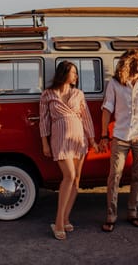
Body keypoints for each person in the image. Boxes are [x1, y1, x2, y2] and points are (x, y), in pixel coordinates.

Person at [99, 49, 138, 232]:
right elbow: (107, 109)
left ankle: (133, 212)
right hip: (120, 136)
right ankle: (111, 215)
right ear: (131, 62)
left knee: (137, 176)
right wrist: (104, 135)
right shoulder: (114, 84)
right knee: (114, 176)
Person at [39, 60, 98, 240]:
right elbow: (43, 121)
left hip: (79, 140)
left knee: (76, 180)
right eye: (73, 73)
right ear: (64, 74)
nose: (76, 76)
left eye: (76, 73)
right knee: (69, 176)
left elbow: (86, 117)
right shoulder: (47, 95)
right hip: (60, 140)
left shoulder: (78, 93)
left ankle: (65, 218)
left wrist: (92, 140)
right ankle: (57, 222)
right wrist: (45, 143)